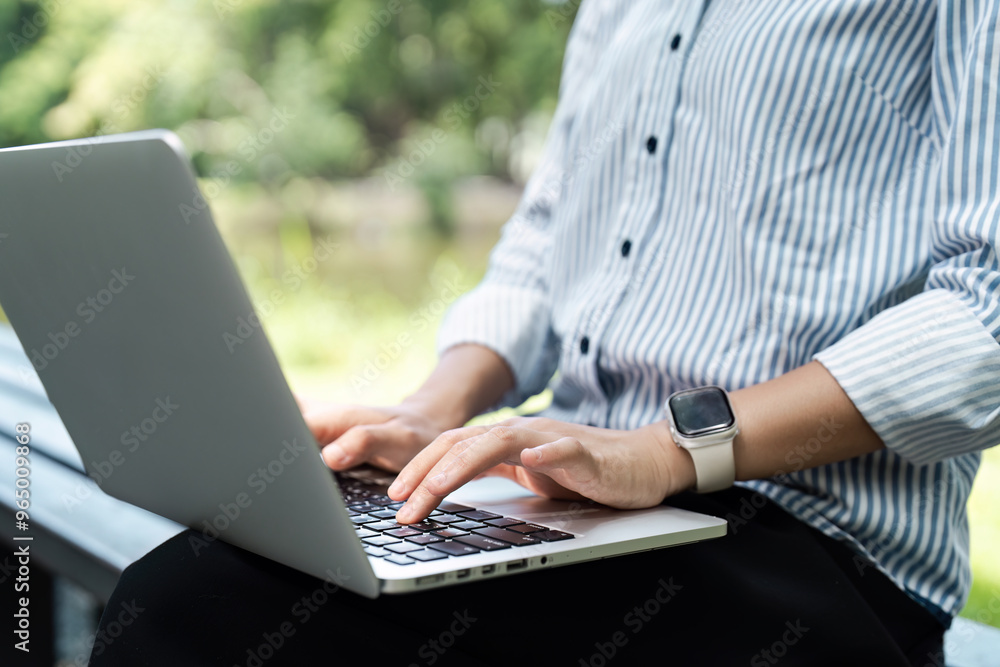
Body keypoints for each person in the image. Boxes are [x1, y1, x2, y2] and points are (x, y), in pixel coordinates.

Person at [91, 2, 999, 665]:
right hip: (567, 508)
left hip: (814, 544)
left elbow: (987, 310)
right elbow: (547, 237)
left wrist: (669, 449)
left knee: (189, 611)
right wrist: (432, 413)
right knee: (205, 581)